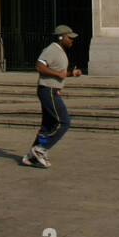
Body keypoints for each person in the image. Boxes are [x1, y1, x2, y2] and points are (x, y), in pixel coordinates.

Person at [22, 25, 82, 168]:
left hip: (51, 90)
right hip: (48, 90)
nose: (72, 40)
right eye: (69, 37)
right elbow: (39, 66)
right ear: (61, 37)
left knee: (47, 126)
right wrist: (57, 74)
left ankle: (32, 156)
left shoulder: (59, 51)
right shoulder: (51, 50)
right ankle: (41, 149)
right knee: (64, 122)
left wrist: (71, 74)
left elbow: (60, 73)